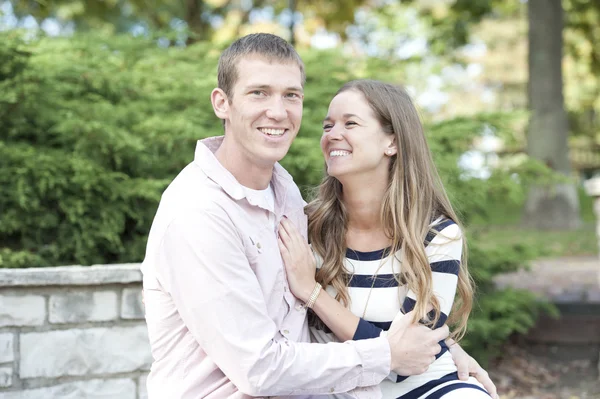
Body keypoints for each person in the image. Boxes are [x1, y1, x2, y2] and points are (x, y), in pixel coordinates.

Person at [141, 33, 497, 399]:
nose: (278, 111)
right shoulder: (199, 214)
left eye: (291, 95)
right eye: (258, 92)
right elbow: (260, 370)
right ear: (222, 103)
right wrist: (391, 353)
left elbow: (313, 328)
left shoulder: (285, 196)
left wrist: (444, 350)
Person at [278, 79, 492, 398]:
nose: (333, 134)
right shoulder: (306, 224)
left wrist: (312, 293)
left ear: (391, 142)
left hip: (425, 387)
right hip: (335, 390)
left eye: (350, 123)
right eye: (328, 125)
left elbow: (408, 360)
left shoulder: (437, 235)